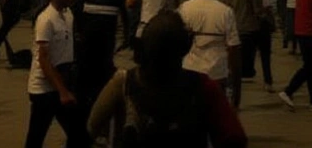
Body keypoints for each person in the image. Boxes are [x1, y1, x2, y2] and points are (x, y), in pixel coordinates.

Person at [88, 10, 248, 148]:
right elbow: (234, 138)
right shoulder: (203, 85)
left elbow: (90, 129)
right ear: (185, 48)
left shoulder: (124, 82)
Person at [25, 0, 89, 148]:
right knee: (35, 139)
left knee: (79, 135)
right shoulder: (45, 20)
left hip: (61, 83)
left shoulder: (68, 14)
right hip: (44, 90)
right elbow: (43, 59)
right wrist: (62, 92)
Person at [181, 0, 242, 107]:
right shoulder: (226, 11)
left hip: (191, 69)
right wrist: (237, 84)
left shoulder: (185, 8)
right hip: (217, 72)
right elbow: (233, 47)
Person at [73, 0, 126, 107]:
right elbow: (76, 9)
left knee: (103, 69)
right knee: (87, 68)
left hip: (106, 37)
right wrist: (77, 30)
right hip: (87, 36)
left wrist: (124, 36)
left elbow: (123, 10)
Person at [220, 0, 265, 95]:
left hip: (232, 28)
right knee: (245, 63)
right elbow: (258, 10)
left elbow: (224, 5)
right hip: (248, 28)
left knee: (234, 61)